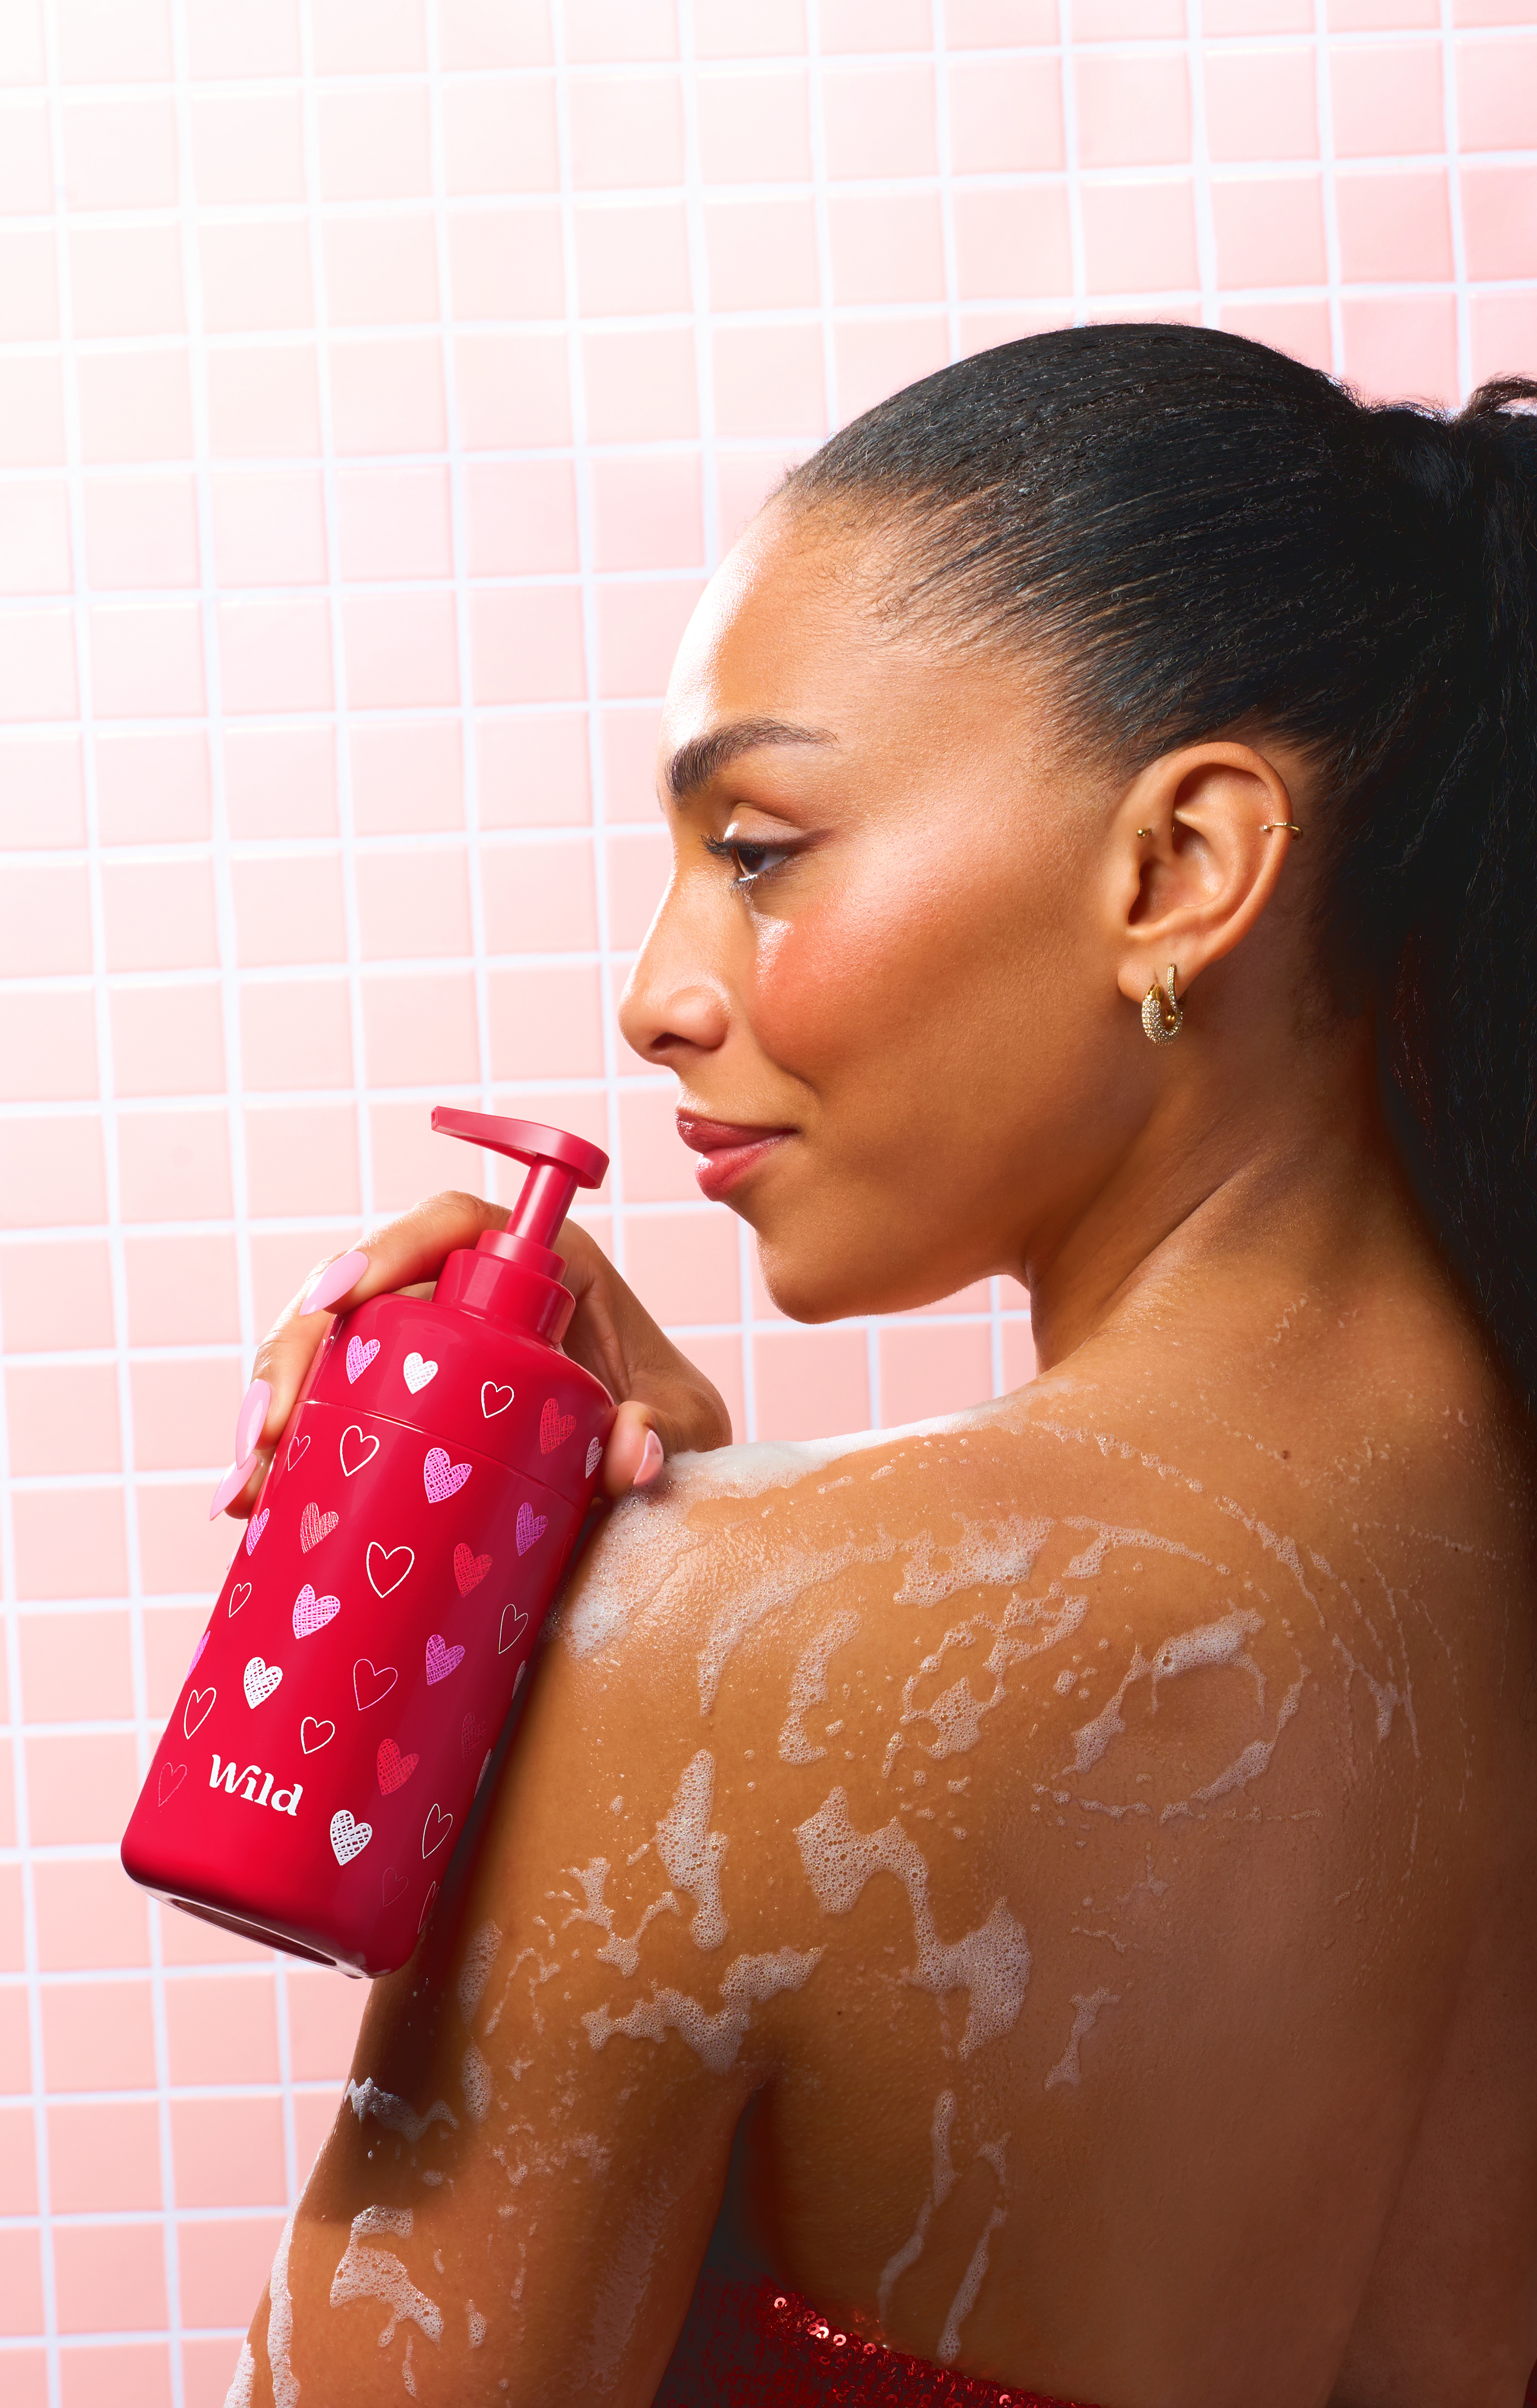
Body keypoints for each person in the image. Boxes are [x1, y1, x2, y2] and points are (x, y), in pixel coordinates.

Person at [216, 326, 1537, 2407]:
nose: (656, 996)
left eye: (756, 852)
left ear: (1179, 870)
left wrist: (658, 1631)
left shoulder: (729, 1668)